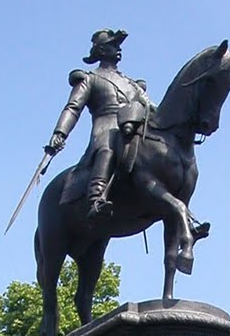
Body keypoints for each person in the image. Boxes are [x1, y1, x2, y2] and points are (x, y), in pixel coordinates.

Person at [45, 29, 152, 220]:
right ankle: (95, 198)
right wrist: (60, 133)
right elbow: (73, 107)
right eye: (113, 46)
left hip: (133, 126)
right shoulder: (90, 78)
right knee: (107, 148)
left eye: (119, 46)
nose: (118, 49)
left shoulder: (133, 84)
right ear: (101, 50)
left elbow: (150, 107)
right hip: (106, 125)